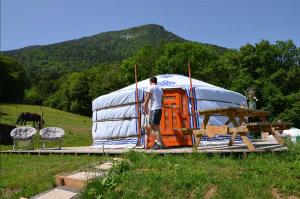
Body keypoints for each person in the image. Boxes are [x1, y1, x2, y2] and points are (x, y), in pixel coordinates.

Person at [142, 76, 165, 149]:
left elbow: (148, 98)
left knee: (156, 128)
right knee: (151, 126)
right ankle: (156, 141)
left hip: (154, 110)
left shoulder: (150, 87)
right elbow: (162, 101)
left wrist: (145, 107)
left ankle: (159, 143)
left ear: (150, 81)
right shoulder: (160, 89)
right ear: (156, 81)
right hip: (159, 109)